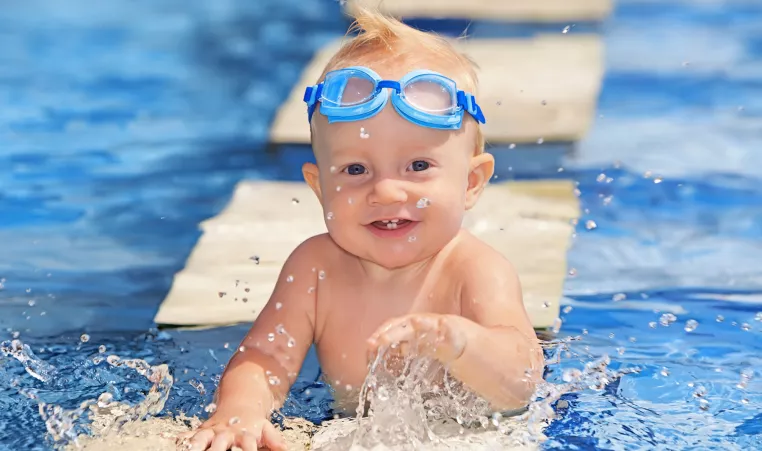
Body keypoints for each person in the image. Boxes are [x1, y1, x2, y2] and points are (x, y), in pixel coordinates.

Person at [180, 7, 543, 451]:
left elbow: (521, 380)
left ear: (470, 183)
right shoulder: (316, 267)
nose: (387, 192)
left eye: (418, 165)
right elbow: (265, 357)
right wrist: (240, 412)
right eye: (355, 169)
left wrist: (460, 342)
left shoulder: (475, 269)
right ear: (320, 187)